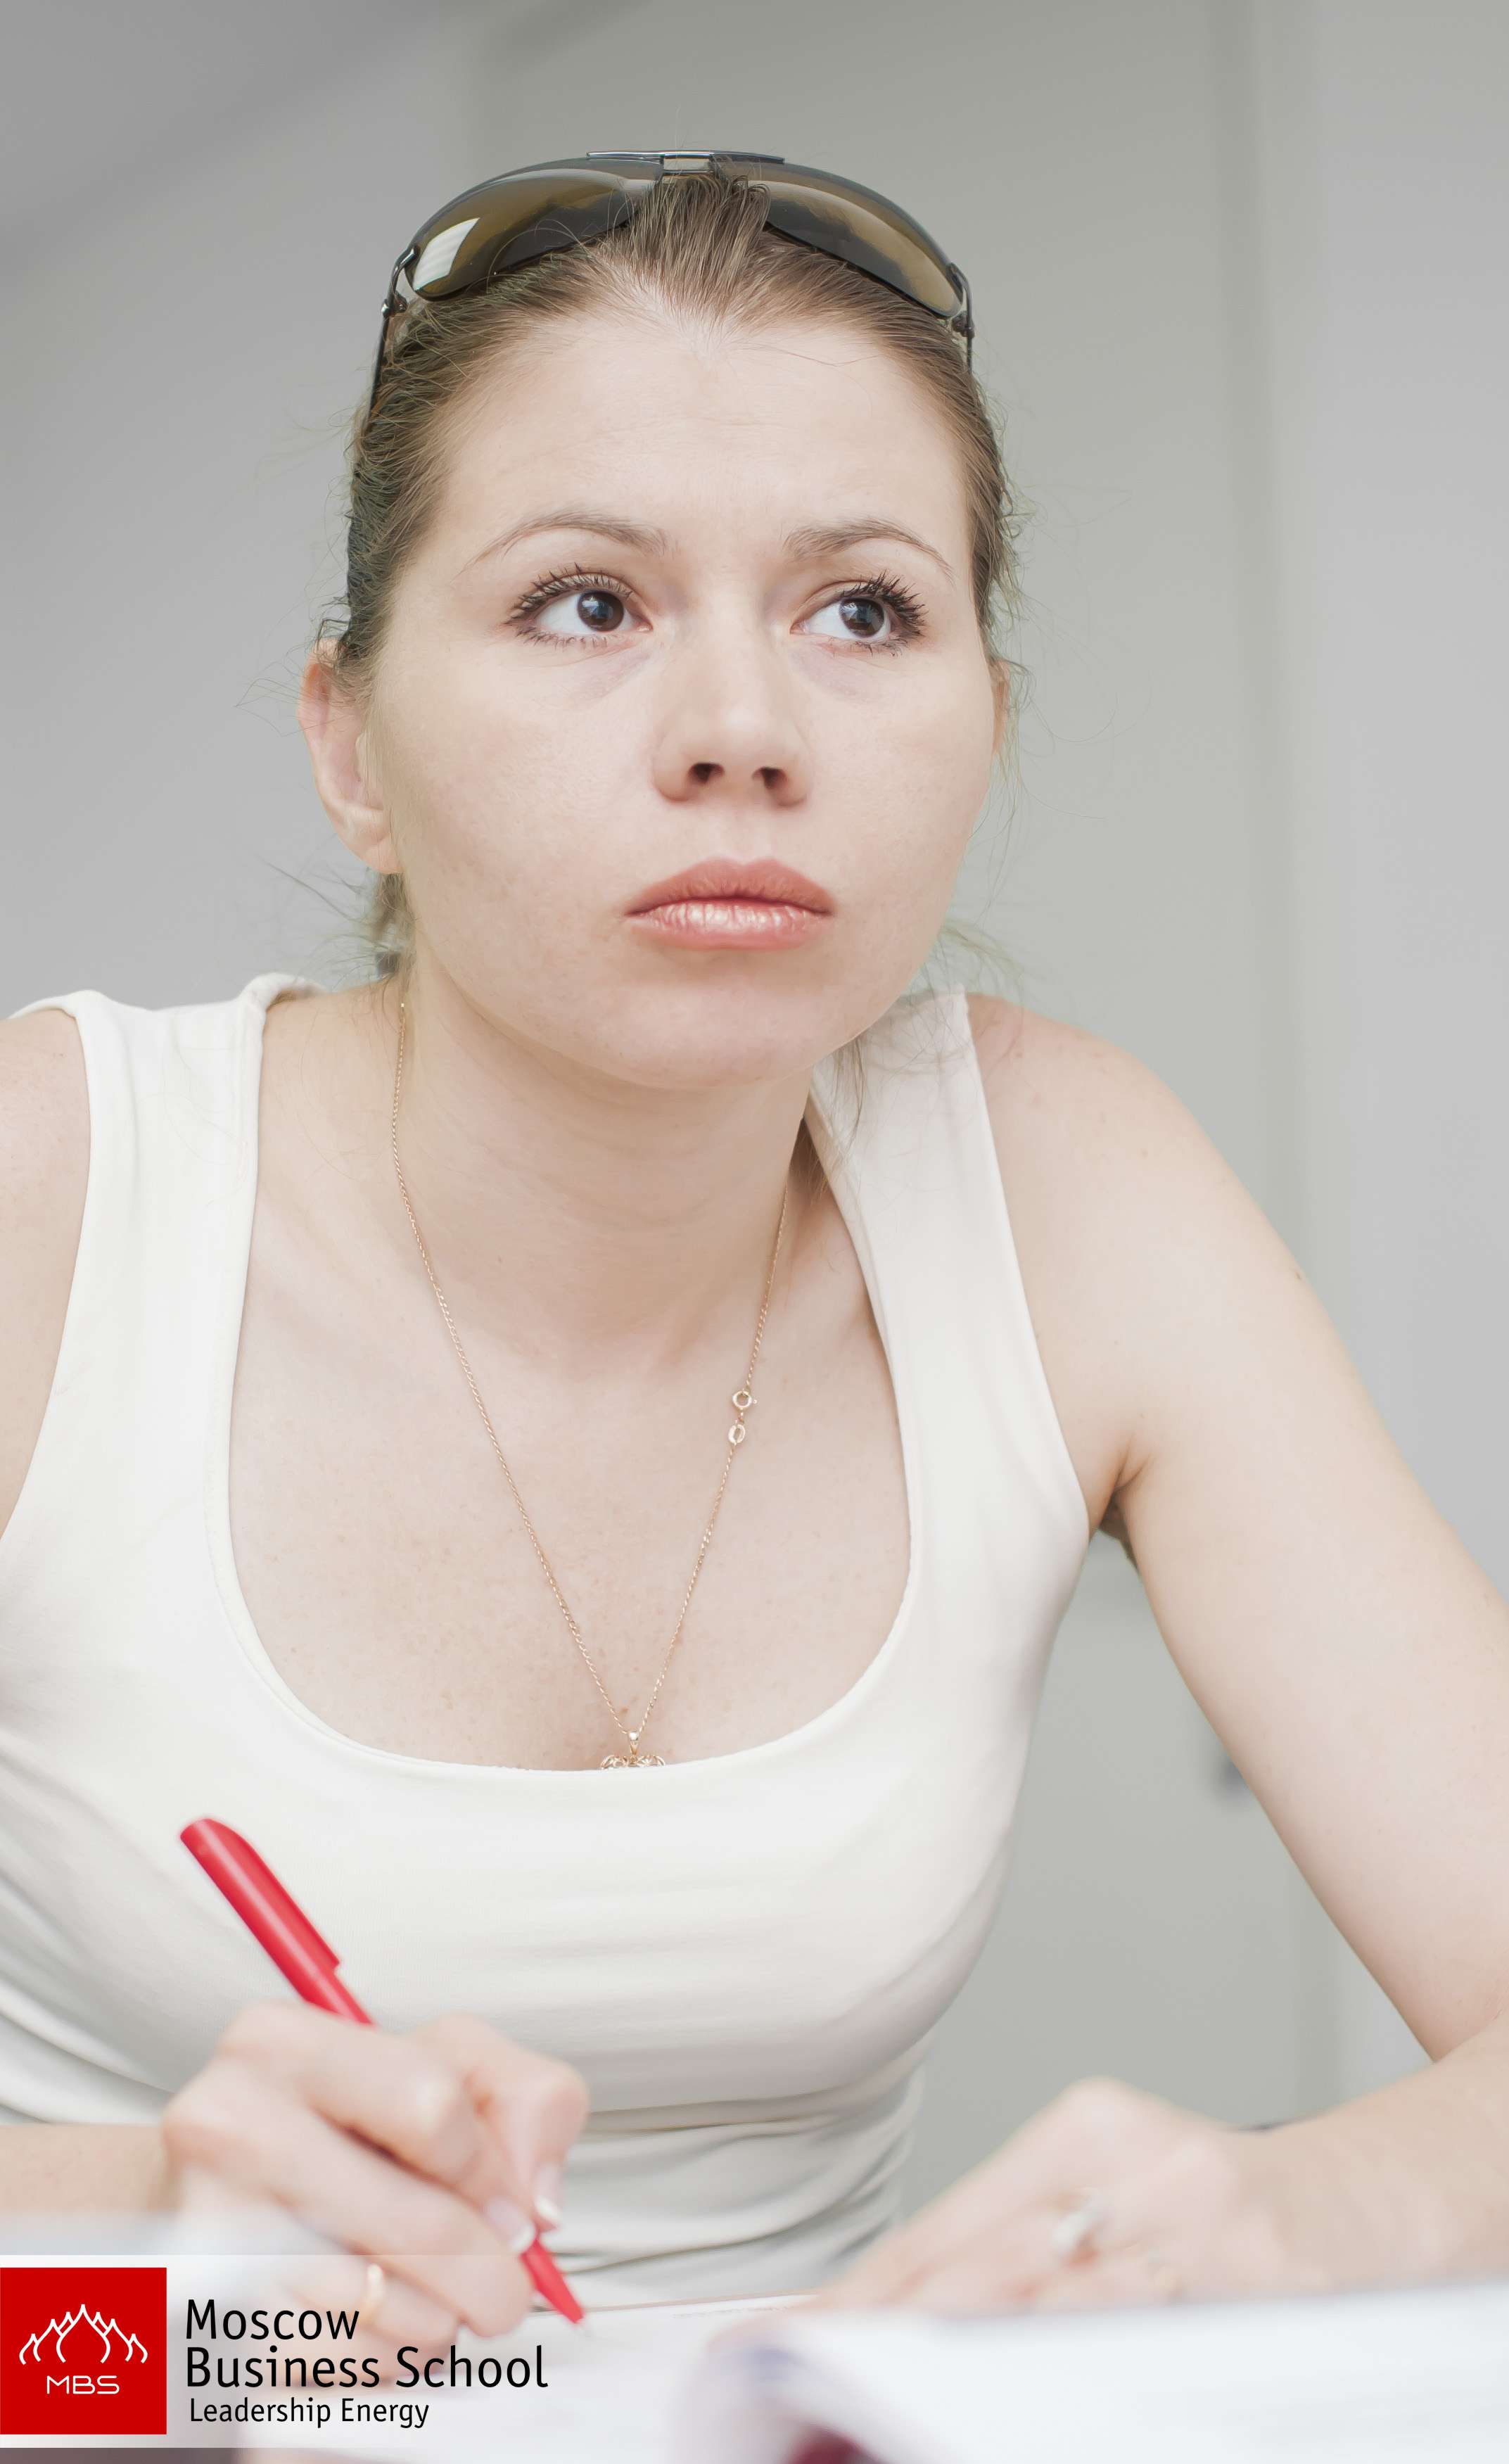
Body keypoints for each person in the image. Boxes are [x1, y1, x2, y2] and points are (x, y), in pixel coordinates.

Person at [4, 153, 1509, 2373]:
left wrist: (1301, 2209)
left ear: (986, 727)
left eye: (862, 612)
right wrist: (169, 2273)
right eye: (583, 604)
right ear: (350, 744)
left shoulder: (1067, 1185)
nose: (744, 730)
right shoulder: (59, 1185)